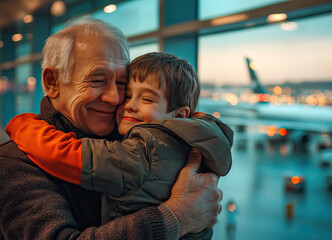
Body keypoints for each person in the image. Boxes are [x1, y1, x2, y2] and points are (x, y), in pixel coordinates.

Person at [0, 19, 223, 239]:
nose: (115, 98)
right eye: (97, 80)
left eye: (122, 84)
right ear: (52, 82)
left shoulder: (141, 138)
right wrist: (176, 217)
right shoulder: (15, 163)